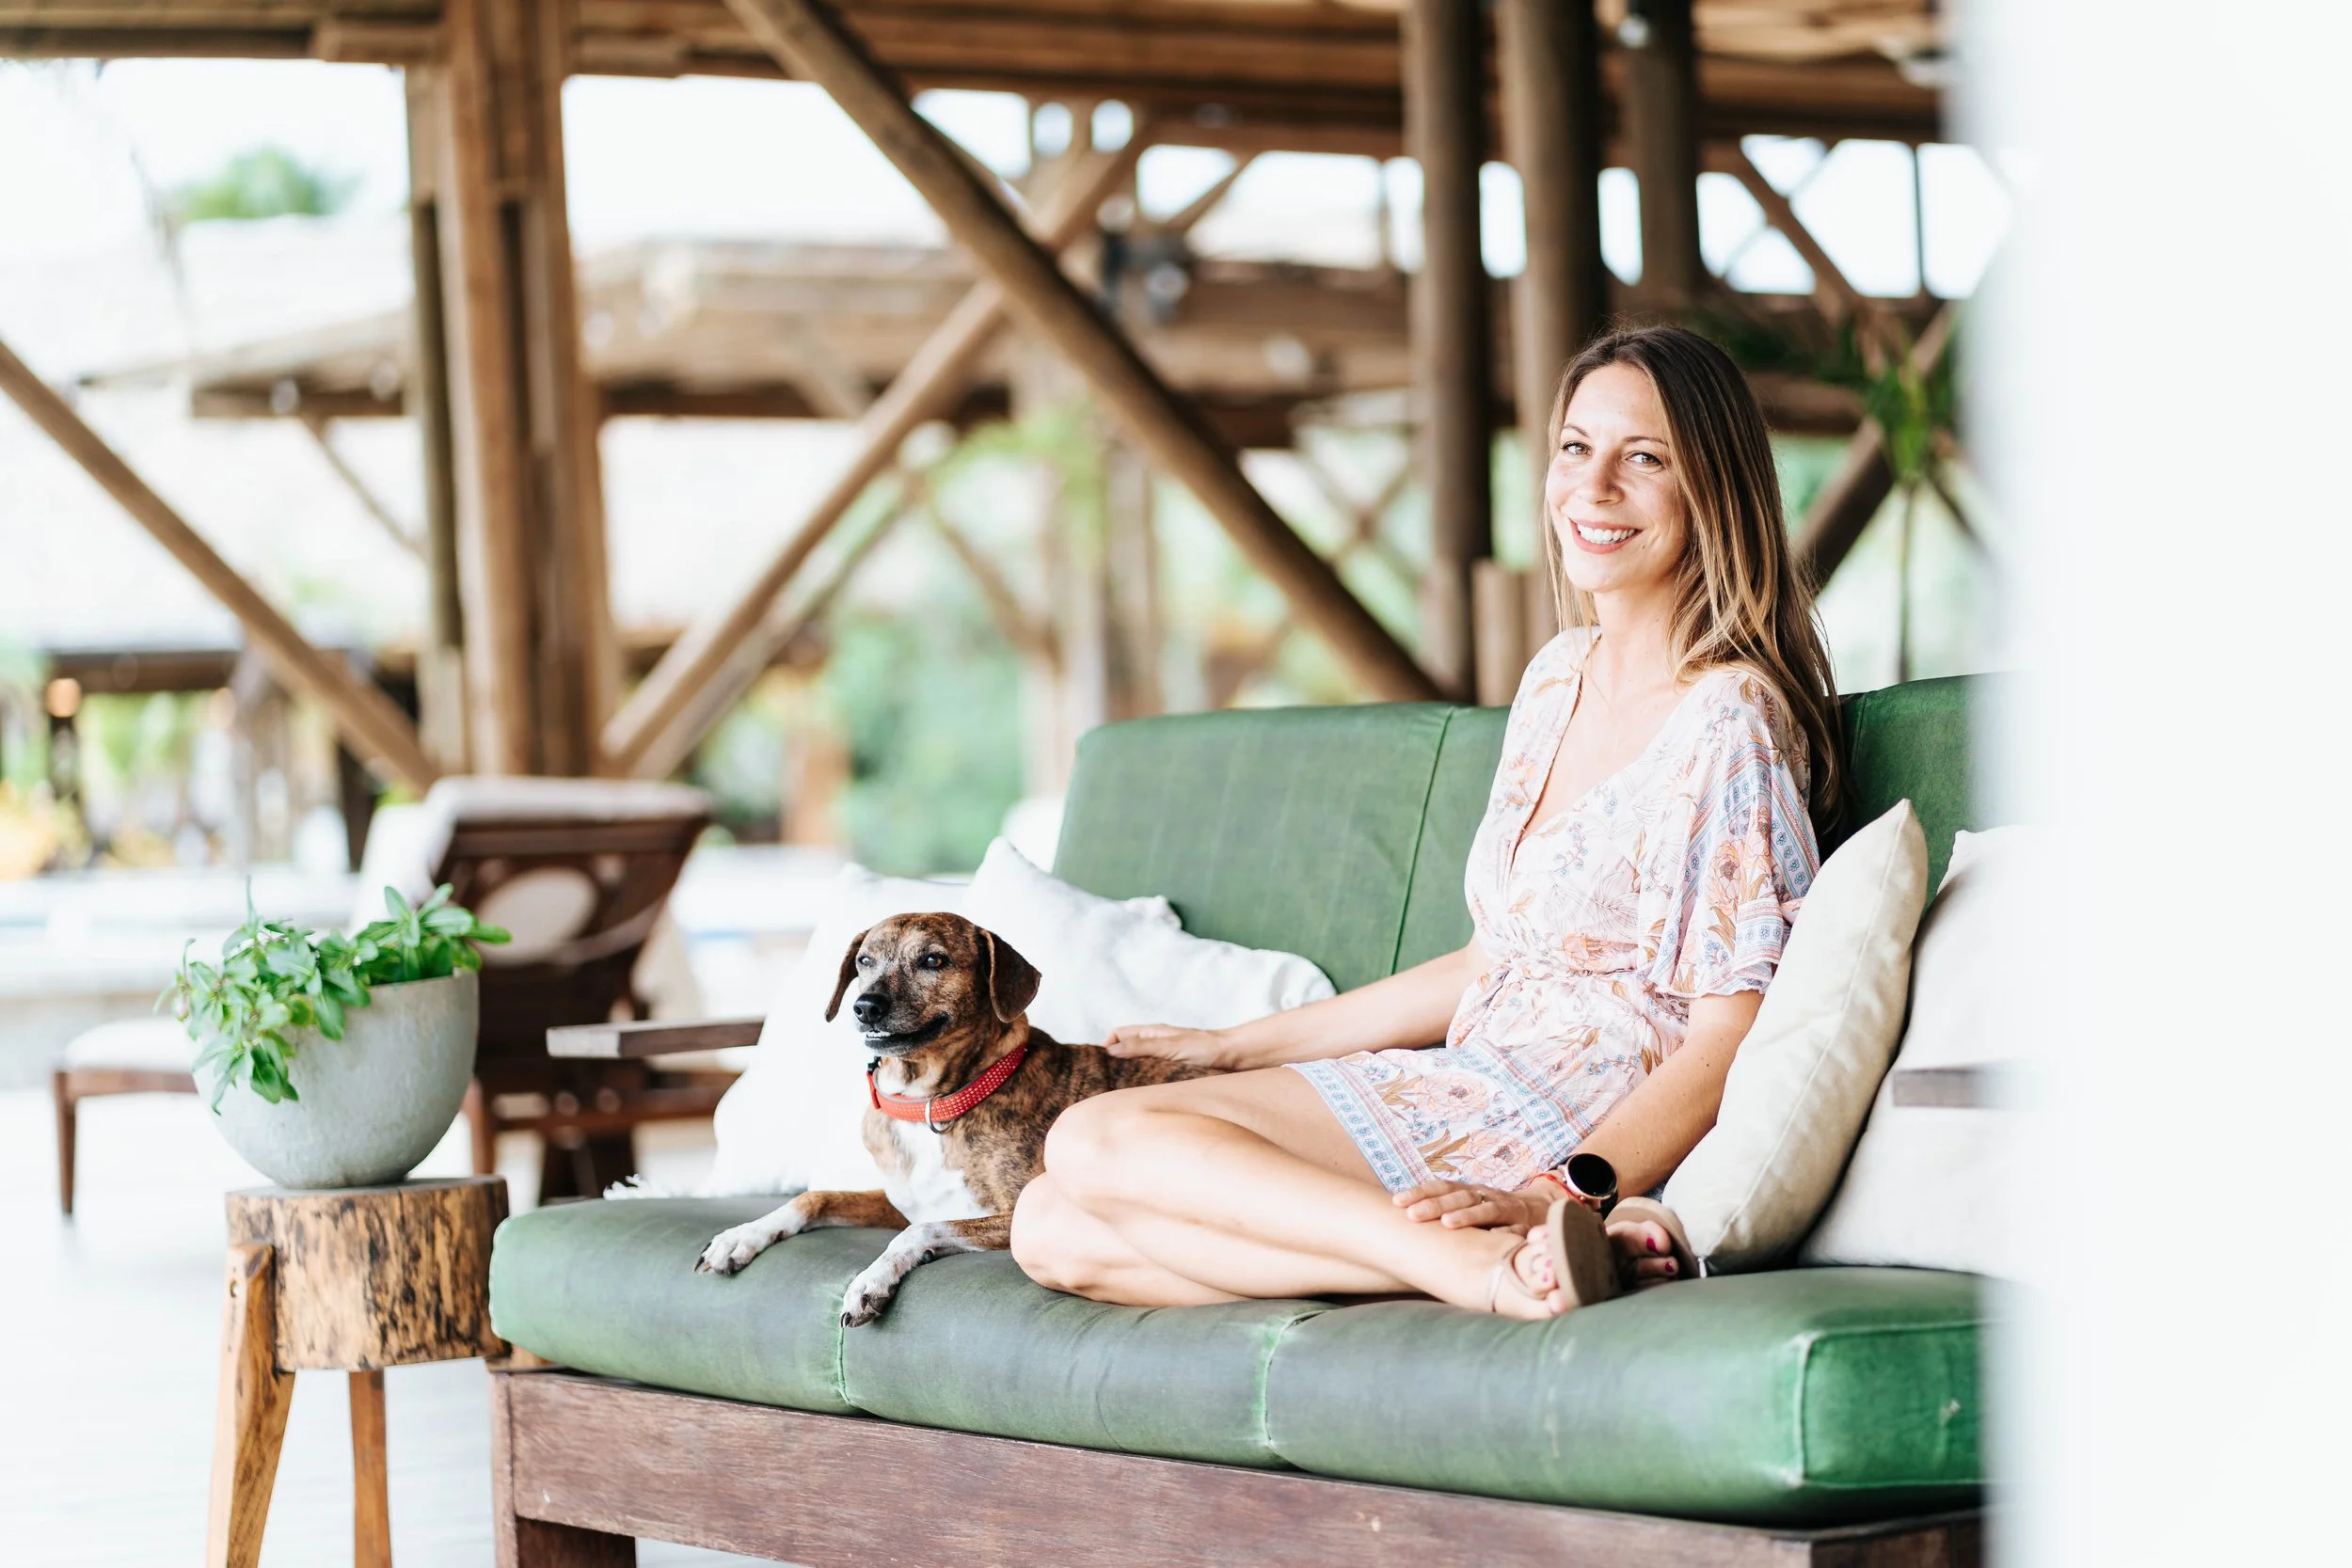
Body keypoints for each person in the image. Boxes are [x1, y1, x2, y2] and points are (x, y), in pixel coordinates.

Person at [1009, 325, 1841, 1318]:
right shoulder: (1554, 679)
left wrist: (1562, 1192)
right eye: (1575, 447)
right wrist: (1233, 1047)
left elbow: (1726, 1039)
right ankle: (1455, 1260)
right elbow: (1486, 962)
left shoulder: (1728, 720)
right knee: (1046, 1226)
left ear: (1715, 491)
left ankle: (1484, 1267)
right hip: (1471, 1080)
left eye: (1645, 458)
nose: (1593, 486)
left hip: (1573, 1123)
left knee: (1087, 1141)